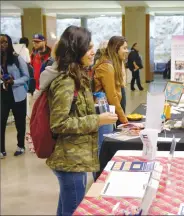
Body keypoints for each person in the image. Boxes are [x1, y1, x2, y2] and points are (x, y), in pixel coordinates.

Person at [42, 26, 118, 216]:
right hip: (69, 159)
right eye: (87, 47)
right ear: (76, 50)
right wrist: (97, 119)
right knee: (73, 209)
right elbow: (59, 123)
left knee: (66, 208)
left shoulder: (78, 76)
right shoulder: (66, 81)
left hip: (75, 158)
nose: (93, 52)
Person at [0, 34, 29, 158]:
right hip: (3, 95)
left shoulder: (17, 59)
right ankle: (1, 150)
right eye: (0, 43)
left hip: (18, 95)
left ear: (10, 43)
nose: (3, 45)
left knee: (20, 122)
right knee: (1, 122)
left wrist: (14, 82)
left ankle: (21, 146)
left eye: (5, 42)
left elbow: (26, 76)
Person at [93, 36, 129, 125]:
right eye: (124, 48)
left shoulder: (113, 63)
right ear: (116, 48)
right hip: (105, 111)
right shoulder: (107, 66)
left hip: (111, 110)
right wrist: (123, 118)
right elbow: (112, 96)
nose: (127, 51)